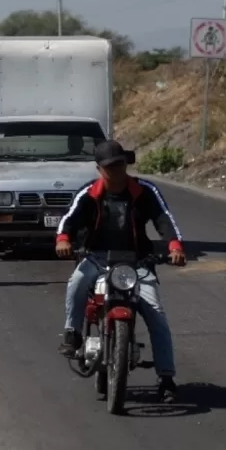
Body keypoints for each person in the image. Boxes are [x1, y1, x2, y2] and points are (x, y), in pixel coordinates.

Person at [54, 140, 186, 402]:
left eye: (120, 164)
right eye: (110, 166)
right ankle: (72, 334)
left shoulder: (145, 191)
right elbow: (69, 219)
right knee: (77, 282)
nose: (116, 171)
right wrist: (63, 240)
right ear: (99, 169)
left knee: (156, 313)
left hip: (138, 262)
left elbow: (164, 219)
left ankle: (167, 378)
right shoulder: (88, 193)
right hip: (97, 258)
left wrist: (174, 245)